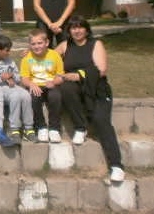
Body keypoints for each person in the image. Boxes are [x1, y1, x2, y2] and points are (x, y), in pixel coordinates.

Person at [56, 16, 125, 182]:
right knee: (65, 88)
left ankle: (116, 165)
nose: (77, 31)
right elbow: (48, 56)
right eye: (73, 28)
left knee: (101, 121)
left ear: (87, 30)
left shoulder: (95, 44)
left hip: (96, 90)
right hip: (76, 91)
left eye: (80, 27)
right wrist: (31, 53)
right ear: (69, 31)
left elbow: (101, 69)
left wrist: (79, 75)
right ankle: (80, 127)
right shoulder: (65, 45)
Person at [0, 35, 37, 144]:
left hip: (12, 87)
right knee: (15, 96)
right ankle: (14, 129)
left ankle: (28, 128)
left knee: (26, 95)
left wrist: (12, 77)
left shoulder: (9, 61)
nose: (9, 53)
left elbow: (18, 77)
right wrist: (1, 79)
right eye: (7, 50)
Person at [20, 29, 64, 143]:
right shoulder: (27, 57)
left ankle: (54, 128)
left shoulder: (54, 55)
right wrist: (31, 84)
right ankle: (41, 127)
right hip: (35, 85)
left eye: (40, 43)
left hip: (51, 84)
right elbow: (24, 78)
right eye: (33, 44)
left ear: (47, 43)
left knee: (55, 97)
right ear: (29, 45)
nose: (37, 46)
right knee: (33, 98)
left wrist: (54, 82)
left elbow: (60, 76)